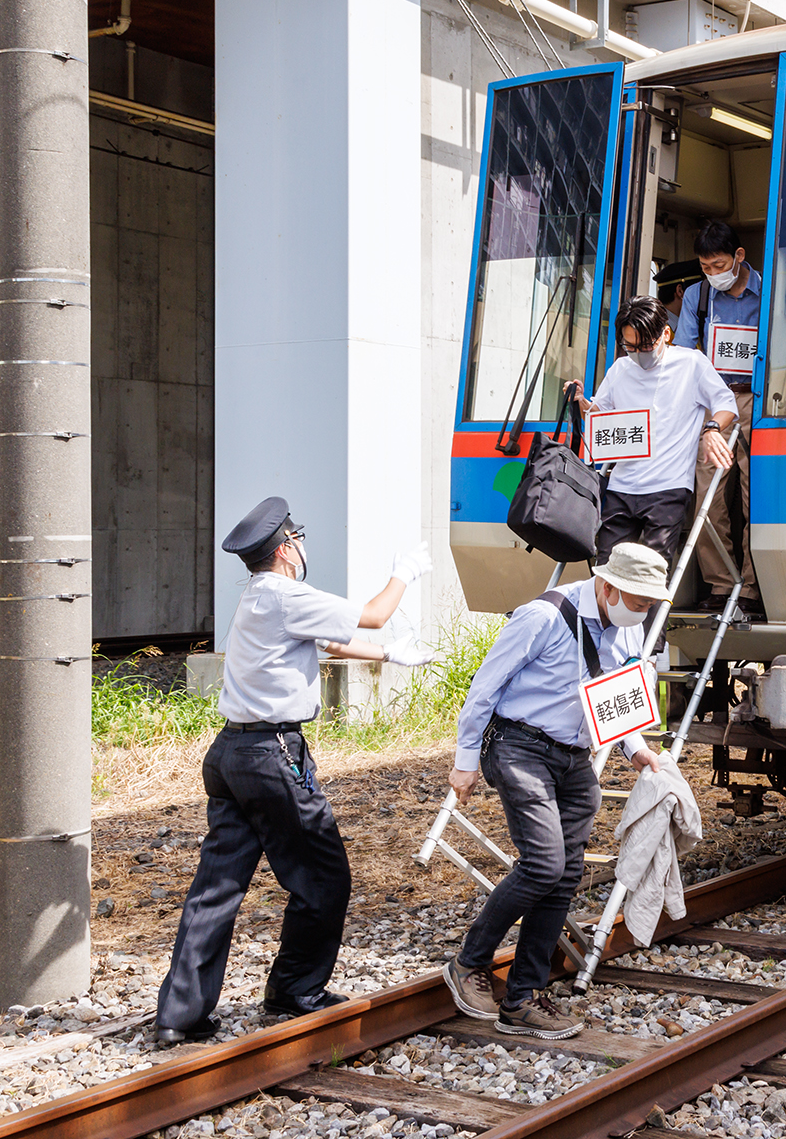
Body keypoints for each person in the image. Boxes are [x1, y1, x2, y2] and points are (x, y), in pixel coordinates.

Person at [156, 498, 436, 1045]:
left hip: (231, 753)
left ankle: (179, 1015)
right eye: (299, 538)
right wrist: (403, 574)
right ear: (285, 549)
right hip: (273, 755)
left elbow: (327, 641)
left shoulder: (257, 597)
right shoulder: (288, 595)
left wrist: (387, 656)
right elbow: (373, 614)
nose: (304, 546)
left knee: (217, 888)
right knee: (324, 876)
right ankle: (295, 991)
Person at [443, 542, 672, 1039]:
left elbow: (617, 694)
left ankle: (523, 999)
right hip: (519, 746)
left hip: (573, 758)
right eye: (637, 602)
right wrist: (465, 761)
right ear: (608, 587)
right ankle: (469, 962)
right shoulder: (542, 616)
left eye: (649, 604)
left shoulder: (629, 625)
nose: (641, 612)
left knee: (565, 874)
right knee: (544, 864)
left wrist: (636, 749)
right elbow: (484, 686)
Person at [571, 296, 737, 566]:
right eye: (630, 346)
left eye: (646, 345)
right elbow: (598, 417)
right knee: (607, 566)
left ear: (666, 334)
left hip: (668, 487)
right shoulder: (620, 368)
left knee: (651, 570)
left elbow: (726, 403)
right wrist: (580, 401)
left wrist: (712, 428)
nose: (639, 353)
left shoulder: (691, 363)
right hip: (622, 486)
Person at [674, 220, 761, 616]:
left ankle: (754, 587)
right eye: (705, 267)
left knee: (755, 495)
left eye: (719, 265)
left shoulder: (769, 292)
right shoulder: (698, 295)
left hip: (758, 400)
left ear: (739, 256)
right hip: (714, 404)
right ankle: (721, 583)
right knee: (707, 494)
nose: (713, 273)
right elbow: (684, 354)